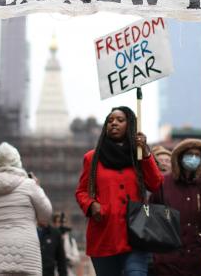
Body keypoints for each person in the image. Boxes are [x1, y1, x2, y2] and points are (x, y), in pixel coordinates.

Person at [75, 106, 163, 276]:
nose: (114, 123)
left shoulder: (138, 156)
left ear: (130, 126)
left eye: (120, 120)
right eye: (110, 120)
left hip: (136, 236)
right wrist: (91, 205)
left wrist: (145, 152)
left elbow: (156, 184)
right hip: (104, 236)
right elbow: (81, 192)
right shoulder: (92, 158)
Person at [150, 138, 201, 275]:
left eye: (197, 155)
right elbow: (150, 214)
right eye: (190, 154)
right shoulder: (164, 183)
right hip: (168, 258)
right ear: (179, 157)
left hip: (196, 257)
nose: (193, 158)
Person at [0, 142, 53, 275]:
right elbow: (46, 215)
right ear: (17, 162)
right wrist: (38, 187)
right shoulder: (29, 185)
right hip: (25, 253)